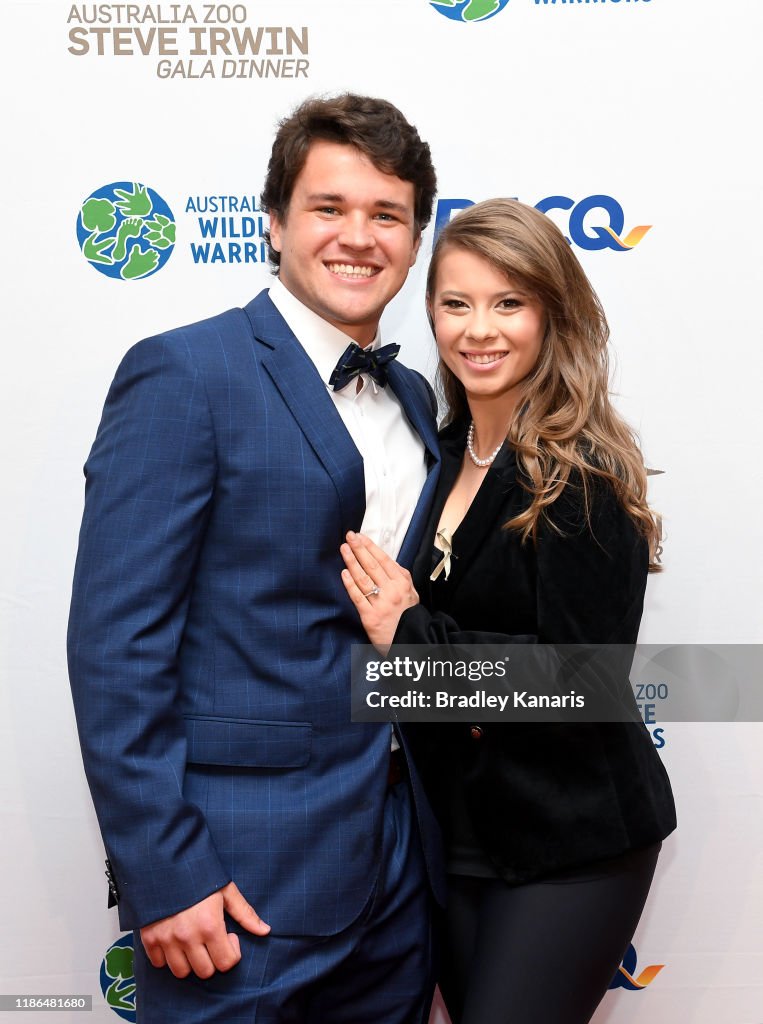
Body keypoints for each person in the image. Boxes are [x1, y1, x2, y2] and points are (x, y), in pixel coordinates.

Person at [67, 93, 446, 1024]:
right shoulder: (186, 374)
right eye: (329, 208)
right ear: (272, 224)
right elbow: (117, 647)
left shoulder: (418, 399)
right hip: (236, 885)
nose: (358, 238)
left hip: (403, 873)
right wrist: (164, 870)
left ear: (414, 237)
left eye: (386, 215)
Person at [340, 198, 677, 1024]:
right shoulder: (439, 454)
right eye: (455, 304)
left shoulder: (581, 473)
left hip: (572, 840)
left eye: (508, 303)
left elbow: (578, 682)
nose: (478, 330)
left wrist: (409, 634)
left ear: (549, 315)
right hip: (457, 836)